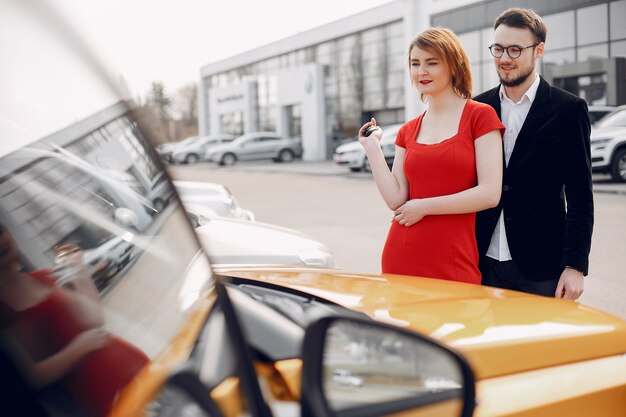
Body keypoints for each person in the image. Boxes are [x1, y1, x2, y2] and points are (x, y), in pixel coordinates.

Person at [358, 27, 504, 284]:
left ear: (453, 65)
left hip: (455, 259)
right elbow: (396, 199)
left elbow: (490, 194)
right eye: (415, 64)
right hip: (401, 255)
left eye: (432, 63)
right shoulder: (408, 129)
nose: (421, 71)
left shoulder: (480, 116)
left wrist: (424, 207)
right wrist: (372, 148)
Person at [474, 8, 594, 299]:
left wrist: (575, 266)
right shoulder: (478, 108)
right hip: (481, 262)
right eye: (498, 49)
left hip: (542, 265)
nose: (504, 58)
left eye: (515, 49)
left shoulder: (568, 109)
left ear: (538, 50)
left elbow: (580, 194)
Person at [0, 224, 148, 416]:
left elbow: (94, 319)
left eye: (0, 232)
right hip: (98, 391)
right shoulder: (3, 309)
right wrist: (81, 346)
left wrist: (79, 271)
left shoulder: (43, 276)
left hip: (132, 367)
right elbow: (33, 376)